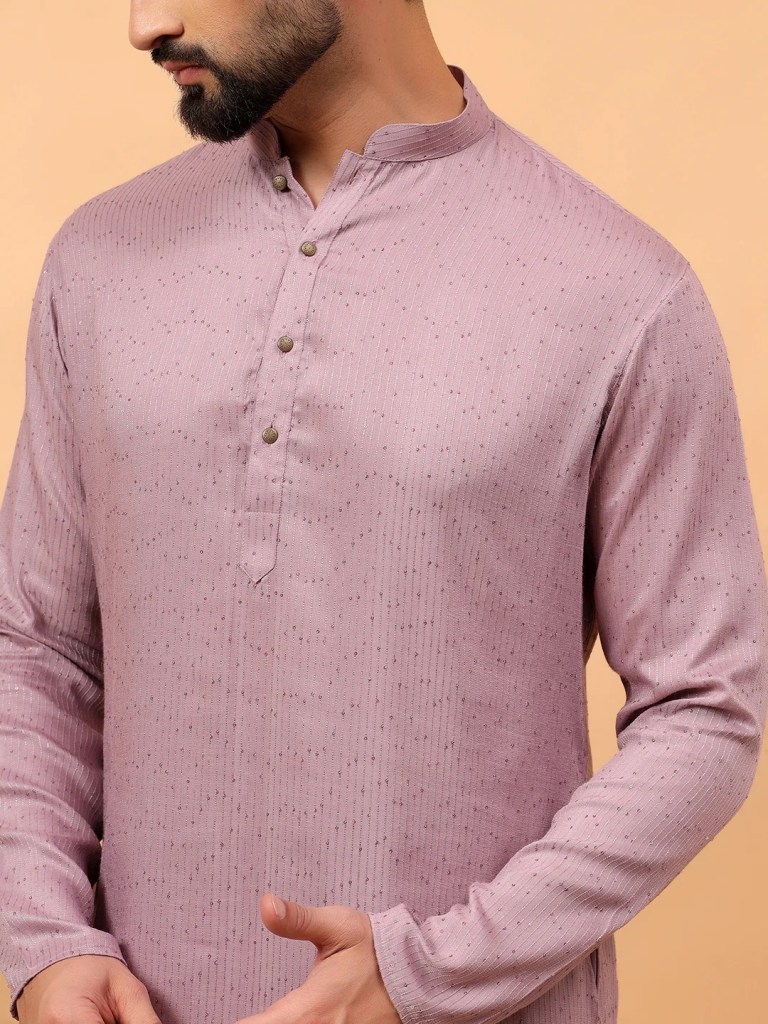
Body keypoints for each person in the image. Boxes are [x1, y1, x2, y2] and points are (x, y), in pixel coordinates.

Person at [1, 2, 766, 1023]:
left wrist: (426, 974)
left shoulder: (622, 291)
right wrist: (45, 945)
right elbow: (35, 648)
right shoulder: (100, 258)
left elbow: (705, 713)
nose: (147, 24)